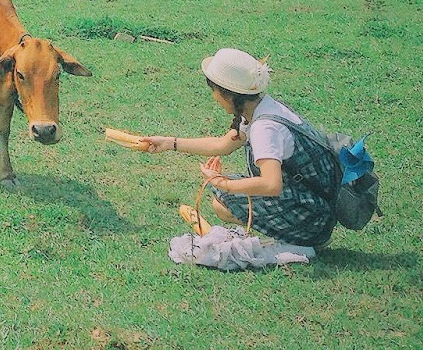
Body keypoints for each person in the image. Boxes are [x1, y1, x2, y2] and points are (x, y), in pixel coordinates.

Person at [140, 47, 340, 247]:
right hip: (311, 201)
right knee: (225, 195)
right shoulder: (261, 107)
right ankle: (290, 232)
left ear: (228, 95)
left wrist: (221, 183)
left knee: (224, 201)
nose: (214, 98)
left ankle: (299, 239)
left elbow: (272, 185)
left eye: (215, 91)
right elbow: (223, 145)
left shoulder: (264, 128)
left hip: (313, 217)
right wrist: (169, 143)